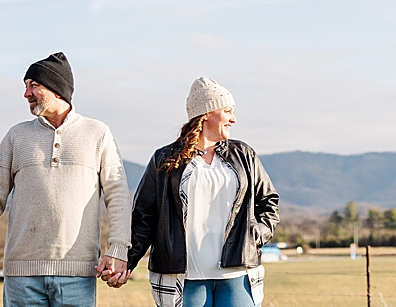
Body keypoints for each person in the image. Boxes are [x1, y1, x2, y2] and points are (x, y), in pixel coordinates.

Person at [0, 52, 132, 307]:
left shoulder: (97, 133)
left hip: (77, 275)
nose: (26, 94)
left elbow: (119, 196)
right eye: (26, 86)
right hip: (21, 277)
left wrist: (118, 249)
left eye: (33, 85)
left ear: (57, 89)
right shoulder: (16, 137)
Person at [119, 77, 280, 307]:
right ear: (206, 113)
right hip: (184, 279)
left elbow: (269, 202)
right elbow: (145, 216)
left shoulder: (244, 155)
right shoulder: (165, 159)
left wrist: (255, 236)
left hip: (236, 276)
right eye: (227, 111)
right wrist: (128, 260)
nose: (233, 119)